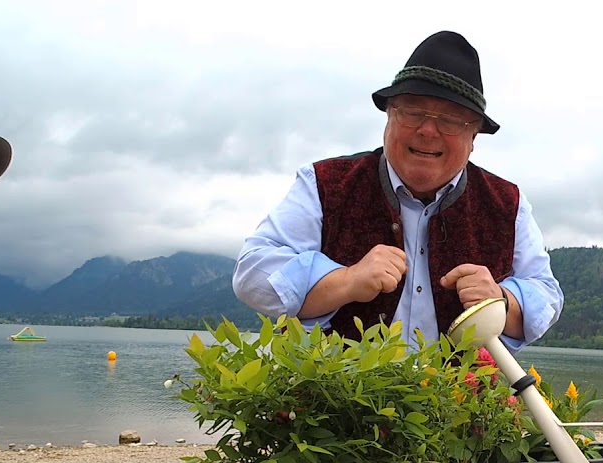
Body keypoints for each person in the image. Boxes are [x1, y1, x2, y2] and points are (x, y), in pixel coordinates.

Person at [232, 30, 563, 352]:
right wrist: (346, 281)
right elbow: (252, 273)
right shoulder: (324, 183)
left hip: (461, 404)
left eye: (450, 120)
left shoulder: (508, 203)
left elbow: (546, 296)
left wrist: (501, 300)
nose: (428, 130)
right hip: (331, 403)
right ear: (389, 116)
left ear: (474, 138)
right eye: (413, 111)